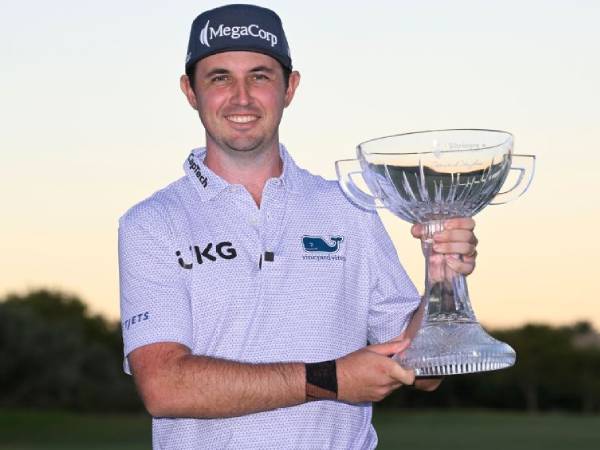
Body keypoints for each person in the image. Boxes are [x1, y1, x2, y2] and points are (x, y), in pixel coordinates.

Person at [118, 4, 478, 449]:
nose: (242, 96)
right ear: (190, 92)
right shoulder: (152, 223)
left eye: (261, 75)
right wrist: (330, 380)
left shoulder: (350, 206)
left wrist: (441, 279)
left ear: (290, 87)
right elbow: (165, 387)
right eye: (219, 78)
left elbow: (419, 369)